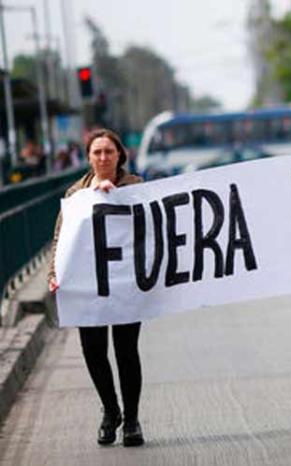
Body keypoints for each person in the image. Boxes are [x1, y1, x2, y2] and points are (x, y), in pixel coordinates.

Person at [48, 129, 146, 447]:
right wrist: (53, 273)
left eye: (109, 152)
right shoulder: (75, 193)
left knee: (126, 350)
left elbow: (149, 226)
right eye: (97, 153)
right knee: (93, 350)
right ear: (89, 157)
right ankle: (111, 410)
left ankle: (131, 419)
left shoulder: (135, 186)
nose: (103, 158)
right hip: (88, 285)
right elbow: (60, 239)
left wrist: (112, 196)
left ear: (119, 155)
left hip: (125, 283)